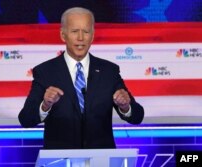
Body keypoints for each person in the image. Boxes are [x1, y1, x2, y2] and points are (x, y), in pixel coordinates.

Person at [18, 7, 144, 149]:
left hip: (100, 160)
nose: (80, 38)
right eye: (74, 31)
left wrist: (125, 106)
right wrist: (45, 105)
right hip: (61, 160)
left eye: (86, 31)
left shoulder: (109, 71)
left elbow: (137, 116)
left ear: (92, 35)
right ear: (63, 35)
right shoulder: (45, 72)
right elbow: (25, 119)